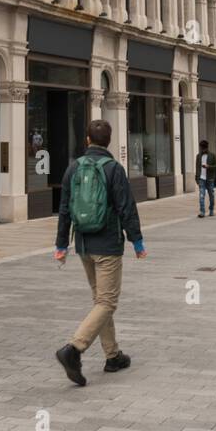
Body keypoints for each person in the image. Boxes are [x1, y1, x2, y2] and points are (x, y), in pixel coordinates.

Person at [54, 120, 146, 387]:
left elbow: (64, 210)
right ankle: (73, 349)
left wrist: (61, 245)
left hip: (83, 245)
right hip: (107, 245)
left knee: (100, 300)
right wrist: (137, 241)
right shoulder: (114, 169)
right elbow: (126, 207)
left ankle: (113, 355)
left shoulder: (73, 168)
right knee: (107, 302)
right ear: (108, 141)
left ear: (87, 140)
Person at [195, 140, 216, 218]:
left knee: (211, 195)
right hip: (201, 179)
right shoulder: (198, 156)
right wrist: (197, 178)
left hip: (210, 179)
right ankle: (202, 211)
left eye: (203, 148)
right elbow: (197, 168)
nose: (202, 150)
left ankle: (211, 210)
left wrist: (208, 166)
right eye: (201, 148)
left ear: (206, 147)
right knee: (201, 195)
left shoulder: (212, 155)